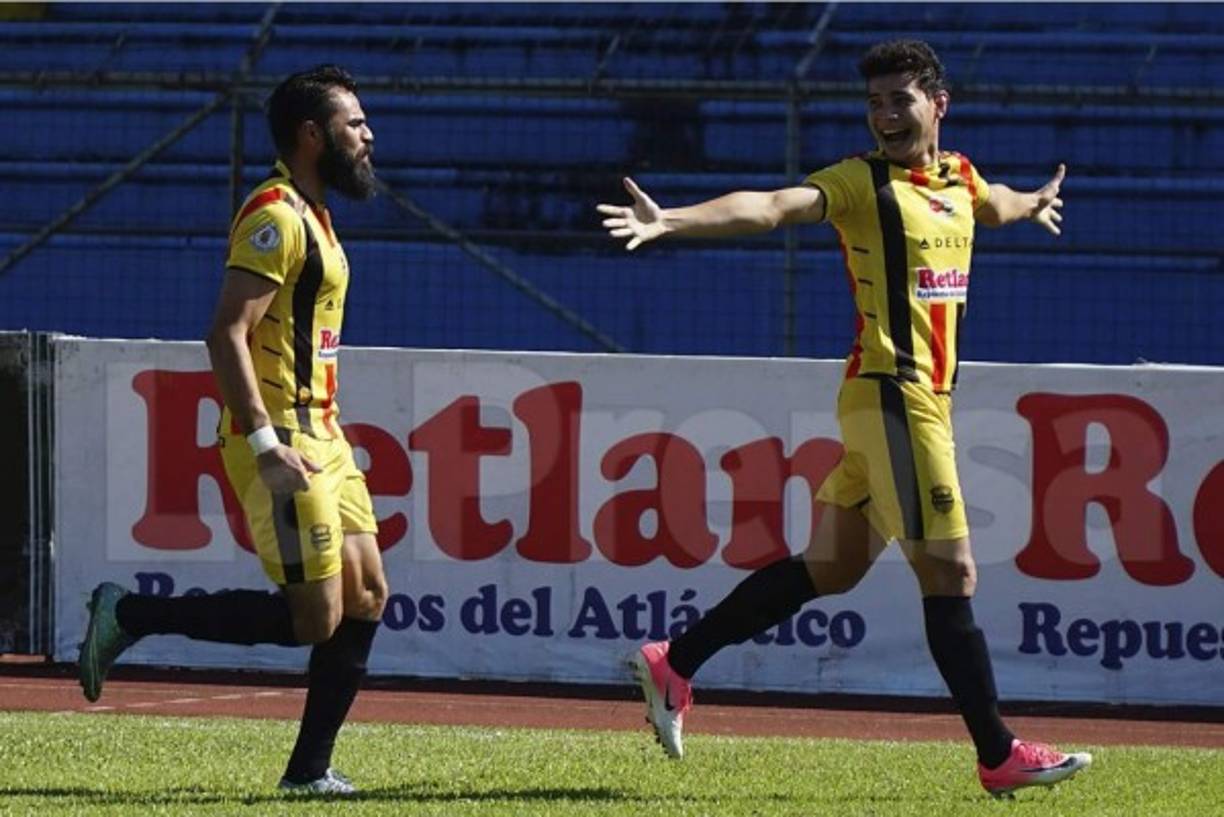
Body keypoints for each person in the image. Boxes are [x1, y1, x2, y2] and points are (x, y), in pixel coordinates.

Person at [598, 39, 1091, 799]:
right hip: (893, 397)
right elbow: (770, 207)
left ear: (938, 104)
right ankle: (997, 752)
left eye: (900, 100)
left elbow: (996, 205)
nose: (886, 115)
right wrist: (674, 221)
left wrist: (1035, 203)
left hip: (901, 404)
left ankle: (674, 661)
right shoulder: (862, 184)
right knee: (952, 571)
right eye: (875, 103)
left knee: (830, 567)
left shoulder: (959, 176)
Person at [79, 64, 388, 796]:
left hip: (327, 438)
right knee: (315, 618)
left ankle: (308, 774)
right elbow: (225, 333)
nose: (368, 135)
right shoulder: (276, 215)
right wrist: (262, 442)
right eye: (354, 124)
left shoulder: (315, 213)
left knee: (368, 592)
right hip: (282, 439)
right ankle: (129, 612)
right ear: (312, 135)